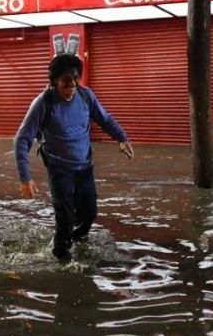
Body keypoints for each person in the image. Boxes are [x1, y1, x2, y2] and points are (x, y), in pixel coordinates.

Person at [14, 54, 134, 261]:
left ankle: (76, 240)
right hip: (59, 169)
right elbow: (22, 140)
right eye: (66, 80)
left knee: (90, 213)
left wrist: (121, 138)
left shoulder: (86, 96)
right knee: (65, 217)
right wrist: (25, 178)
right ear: (54, 81)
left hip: (84, 167)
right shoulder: (43, 103)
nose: (72, 84)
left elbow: (104, 119)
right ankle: (61, 258)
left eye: (75, 78)